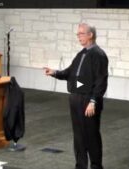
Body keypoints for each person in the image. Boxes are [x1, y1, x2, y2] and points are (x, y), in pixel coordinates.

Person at [44, 23, 108, 169]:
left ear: (90, 35)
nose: (78, 36)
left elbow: (100, 81)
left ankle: (96, 166)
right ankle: (80, 166)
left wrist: (93, 101)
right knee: (78, 137)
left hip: (88, 100)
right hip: (76, 98)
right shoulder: (81, 54)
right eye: (77, 34)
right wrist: (54, 72)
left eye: (81, 33)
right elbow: (70, 73)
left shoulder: (98, 54)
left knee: (91, 136)